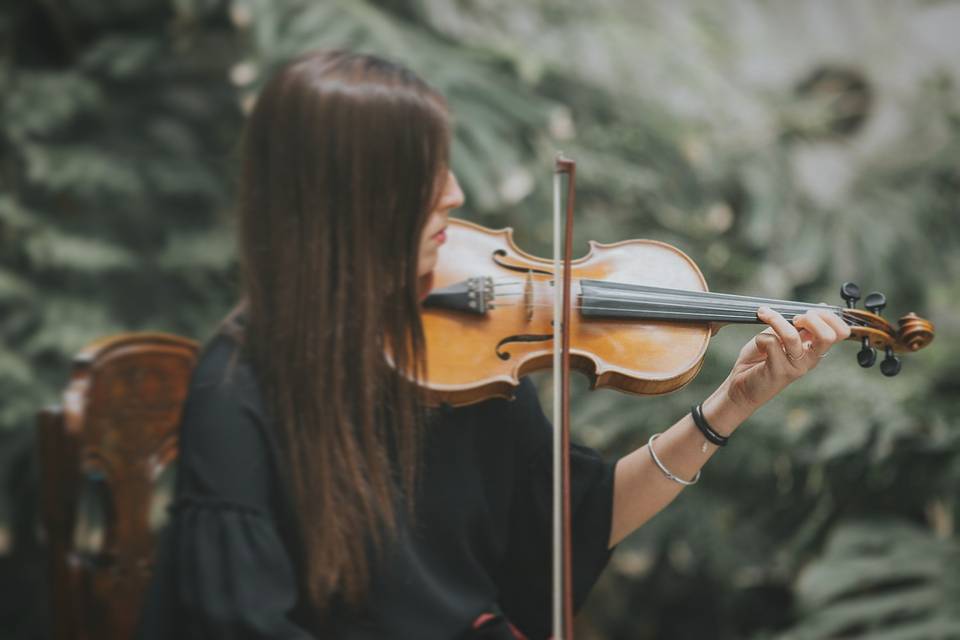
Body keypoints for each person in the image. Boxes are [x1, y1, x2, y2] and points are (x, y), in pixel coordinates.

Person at [136, 50, 851, 640]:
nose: (452, 193)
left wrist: (731, 404)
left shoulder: (467, 351)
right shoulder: (239, 388)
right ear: (343, 205)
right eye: (421, 177)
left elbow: (575, 522)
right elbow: (237, 624)